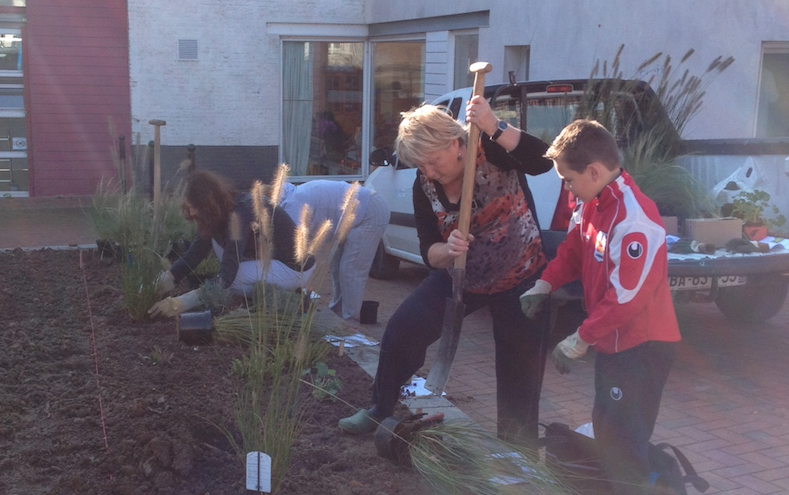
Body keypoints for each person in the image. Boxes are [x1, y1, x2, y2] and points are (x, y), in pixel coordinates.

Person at [338, 97, 553, 444]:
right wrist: (447, 249)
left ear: (455, 143)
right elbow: (428, 250)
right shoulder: (424, 185)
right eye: (422, 166)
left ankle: (519, 452)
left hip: (520, 276)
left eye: (434, 162)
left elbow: (543, 161)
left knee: (519, 372)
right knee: (403, 328)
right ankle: (380, 407)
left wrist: (494, 125)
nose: (430, 173)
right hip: (462, 277)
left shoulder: (491, 150)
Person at [519, 119, 681, 495]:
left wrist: (579, 339)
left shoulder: (635, 221)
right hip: (614, 342)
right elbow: (573, 251)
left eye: (569, 180)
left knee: (625, 440)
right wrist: (544, 282)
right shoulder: (590, 204)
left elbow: (626, 300)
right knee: (609, 431)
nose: (566, 189)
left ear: (594, 171)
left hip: (643, 346)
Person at [148, 170, 315, 318]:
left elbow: (227, 276)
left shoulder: (241, 213)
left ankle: (286, 300)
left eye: (194, 207)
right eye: (187, 207)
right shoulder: (216, 214)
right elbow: (193, 255)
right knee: (217, 251)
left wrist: (181, 303)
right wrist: (159, 283)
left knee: (232, 282)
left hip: (295, 267)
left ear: (207, 203)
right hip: (270, 261)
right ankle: (270, 292)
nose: (191, 213)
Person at [280, 179, 390, 323]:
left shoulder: (293, 204)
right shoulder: (293, 194)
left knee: (351, 270)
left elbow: (292, 246)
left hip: (370, 211)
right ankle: (336, 315)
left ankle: (350, 324)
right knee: (335, 264)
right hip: (356, 211)